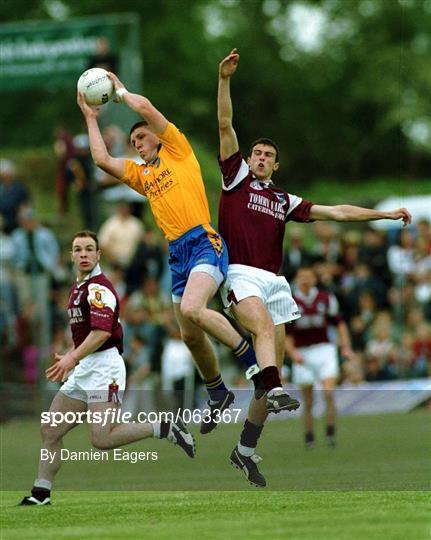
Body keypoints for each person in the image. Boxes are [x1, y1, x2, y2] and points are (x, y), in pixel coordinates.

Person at [217, 48, 412, 487]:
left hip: (274, 282)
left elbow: (339, 213)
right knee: (265, 338)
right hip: (241, 274)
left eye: (268, 154)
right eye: (257, 153)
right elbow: (226, 125)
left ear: (277, 164)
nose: (261, 157)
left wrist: (382, 216)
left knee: (271, 382)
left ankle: (244, 450)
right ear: (248, 160)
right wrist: (225, 80)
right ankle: (270, 391)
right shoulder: (235, 180)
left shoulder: (284, 200)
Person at [77, 76, 260, 434]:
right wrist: (90, 117)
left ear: (158, 136)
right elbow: (100, 159)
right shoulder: (142, 174)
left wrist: (120, 90)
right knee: (190, 335)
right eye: (132, 142)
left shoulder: (177, 148)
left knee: (194, 308)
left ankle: (252, 360)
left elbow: (145, 110)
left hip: (204, 241)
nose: (137, 144)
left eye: (141, 137)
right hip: (177, 253)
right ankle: (218, 392)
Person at [20, 231, 195, 506]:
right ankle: (41, 494)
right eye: (78, 250)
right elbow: (86, 334)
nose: (84, 254)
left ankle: (163, 427)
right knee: (50, 429)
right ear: (71, 256)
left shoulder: (99, 288)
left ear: (99, 255)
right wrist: (73, 355)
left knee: (101, 438)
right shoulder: (77, 287)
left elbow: (102, 333)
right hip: (85, 366)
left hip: (105, 368)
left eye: (90, 249)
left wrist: (71, 358)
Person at [285, 267, 355, 448]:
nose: (305, 280)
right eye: (301, 277)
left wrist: (346, 347)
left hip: (324, 349)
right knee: (308, 400)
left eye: (308, 276)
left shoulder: (326, 299)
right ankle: (309, 437)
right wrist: (293, 353)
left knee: (328, 393)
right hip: (303, 352)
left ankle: (330, 433)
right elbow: (286, 334)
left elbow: (339, 324)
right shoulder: (290, 301)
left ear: (315, 279)